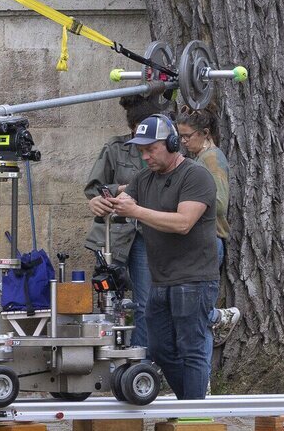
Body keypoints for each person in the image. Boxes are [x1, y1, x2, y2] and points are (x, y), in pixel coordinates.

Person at [89, 114, 221, 399]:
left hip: (194, 278)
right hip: (161, 279)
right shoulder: (144, 178)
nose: (145, 156)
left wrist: (135, 211)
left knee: (192, 348)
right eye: (141, 150)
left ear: (173, 143)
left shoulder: (195, 176)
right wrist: (103, 202)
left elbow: (183, 223)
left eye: (151, 149)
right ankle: (189, 403)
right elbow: (125, 199)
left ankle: (194, 415)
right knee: (159, 349)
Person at [83, 95, 159, 350]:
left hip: (146, 235)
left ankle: (139, 360)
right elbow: (94, 189)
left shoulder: (165, 152)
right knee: (108, 298)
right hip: (113, 235)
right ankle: (107, 356)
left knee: (144, 301)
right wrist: (115, 192)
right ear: (132, 127)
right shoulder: (115, 149)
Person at [177, 107, 241, 342]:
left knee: (197, 311)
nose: (183, 142)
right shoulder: (199, 159)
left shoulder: (212, 158)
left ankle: (218, 317)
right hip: (199, 243)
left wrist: (184, 204)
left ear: (205, 133)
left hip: (209, 241)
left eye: (187, 136)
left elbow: (220, 203)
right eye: (180, 136)